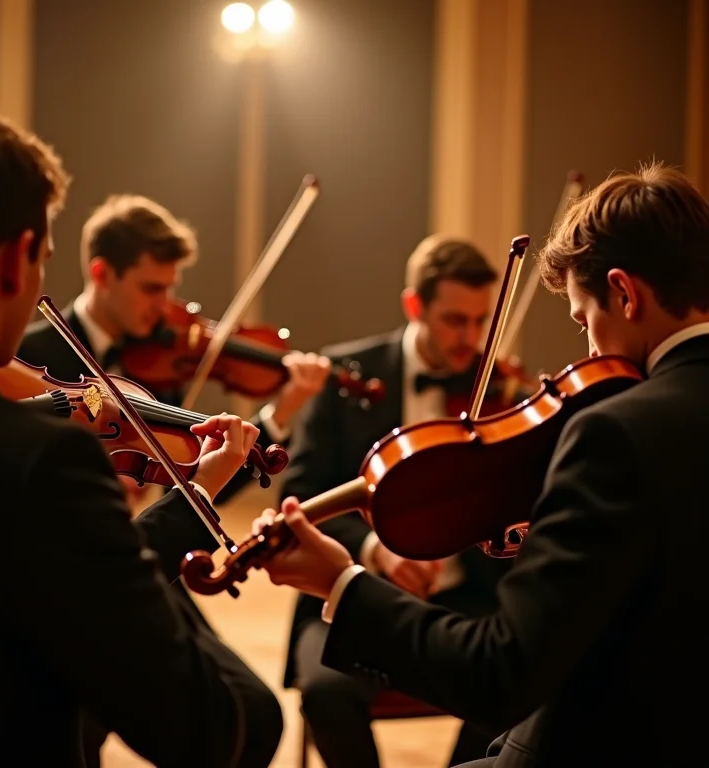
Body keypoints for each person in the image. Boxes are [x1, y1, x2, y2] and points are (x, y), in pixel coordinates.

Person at [252, 160, 709, 767]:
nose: (590, 350)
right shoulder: (350, 376)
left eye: (583, 320)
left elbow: (503, 673)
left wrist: (340, 580)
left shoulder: (614, 432)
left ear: (624, 293)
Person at [0, 103, 283, 767]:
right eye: (42, 257)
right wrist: (198, 496)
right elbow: (200, 727)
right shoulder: (41, 460)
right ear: (16, 263)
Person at [277, 237, 533, 767]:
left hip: (466, 599)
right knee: (326, 692)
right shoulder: (346, 377)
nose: (470, 339)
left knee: (517, 685)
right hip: (351, 590)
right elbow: (301, 497)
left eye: (481, 320)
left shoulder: (500, 390)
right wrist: (375, 549)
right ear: (414, 305)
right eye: (453, 320)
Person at [16, 192, 331, 505]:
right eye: (152, 288)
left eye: (170, 288)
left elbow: (198, 487)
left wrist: (281, 412)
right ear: (102, 274)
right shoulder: (28, 357)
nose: (165, 304)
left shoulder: (160, 367)